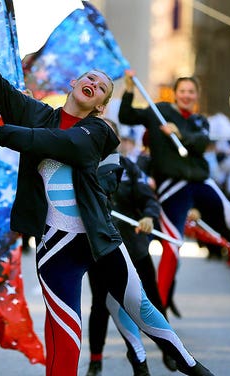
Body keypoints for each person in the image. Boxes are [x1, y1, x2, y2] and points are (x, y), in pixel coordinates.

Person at [0, 2, 213, 375]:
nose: (94, 83)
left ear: (101, 104)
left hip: (100, 241)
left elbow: (66, 146)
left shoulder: (100, 132)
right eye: (90, 78)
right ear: (74, 83)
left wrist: (1, 133)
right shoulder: (36, 115)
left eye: (103, 87)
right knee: (64, 337)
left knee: (140, 307)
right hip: (54, 246)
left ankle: (191, 365)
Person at [118, 71, 230, 317]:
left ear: (196, 96)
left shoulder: (199, 121)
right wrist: (129, 89)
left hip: (201, 181)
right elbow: (126, 115)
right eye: (182, 91)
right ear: (175, 93)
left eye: (191, 91)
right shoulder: (158, 111)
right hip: (172, 186)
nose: (186, 95)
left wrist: (179, 134)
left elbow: (201, 142)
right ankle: (157, 312)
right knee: (172, 246)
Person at [86, 118, 166, 376]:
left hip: (135, 249)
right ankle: (96, 360)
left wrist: (149, 217)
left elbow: (149, 200)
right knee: (102, 306)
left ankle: (168, 350)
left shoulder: (129, 167)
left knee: (150, 301)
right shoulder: (82, 167)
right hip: (100, 251)